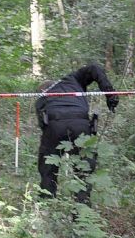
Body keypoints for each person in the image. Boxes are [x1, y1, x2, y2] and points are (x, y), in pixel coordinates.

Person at [35, 63, 118, 204]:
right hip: (81, 124)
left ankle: (47, 205)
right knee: (84, 168)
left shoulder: (41, 99)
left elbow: (43, 125)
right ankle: (82, 209)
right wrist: (110, 94)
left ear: (43, 91)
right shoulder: (73, 79)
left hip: (55, 125)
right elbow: (94, 68)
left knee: (47, 167)